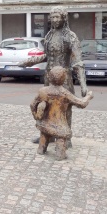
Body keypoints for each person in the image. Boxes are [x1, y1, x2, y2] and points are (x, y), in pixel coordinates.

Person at [18, 6, 88, 148]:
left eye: (58, 17)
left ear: (64, 18)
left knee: (65, 106)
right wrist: (30, 62)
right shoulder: (49, 35)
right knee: (46, 105)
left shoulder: (70, 36)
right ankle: (47, 134)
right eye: (53, 17)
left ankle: (66, 137)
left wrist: (83, 85)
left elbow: (78, 62)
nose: (55, 20)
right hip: (49, 77)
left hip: (64, 77)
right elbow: (47, 56)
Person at [30, 66, 93, 160]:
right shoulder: (64, 93)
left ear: (49, 77)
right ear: (63, 79)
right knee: (61, 137)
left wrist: (36, 116)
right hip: (59, 126)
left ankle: (41, 149)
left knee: (44, 134)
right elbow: (82, 103)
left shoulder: (43, 91)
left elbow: (32, 104)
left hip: (44, 124)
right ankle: (60, 154)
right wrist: (89, 96)